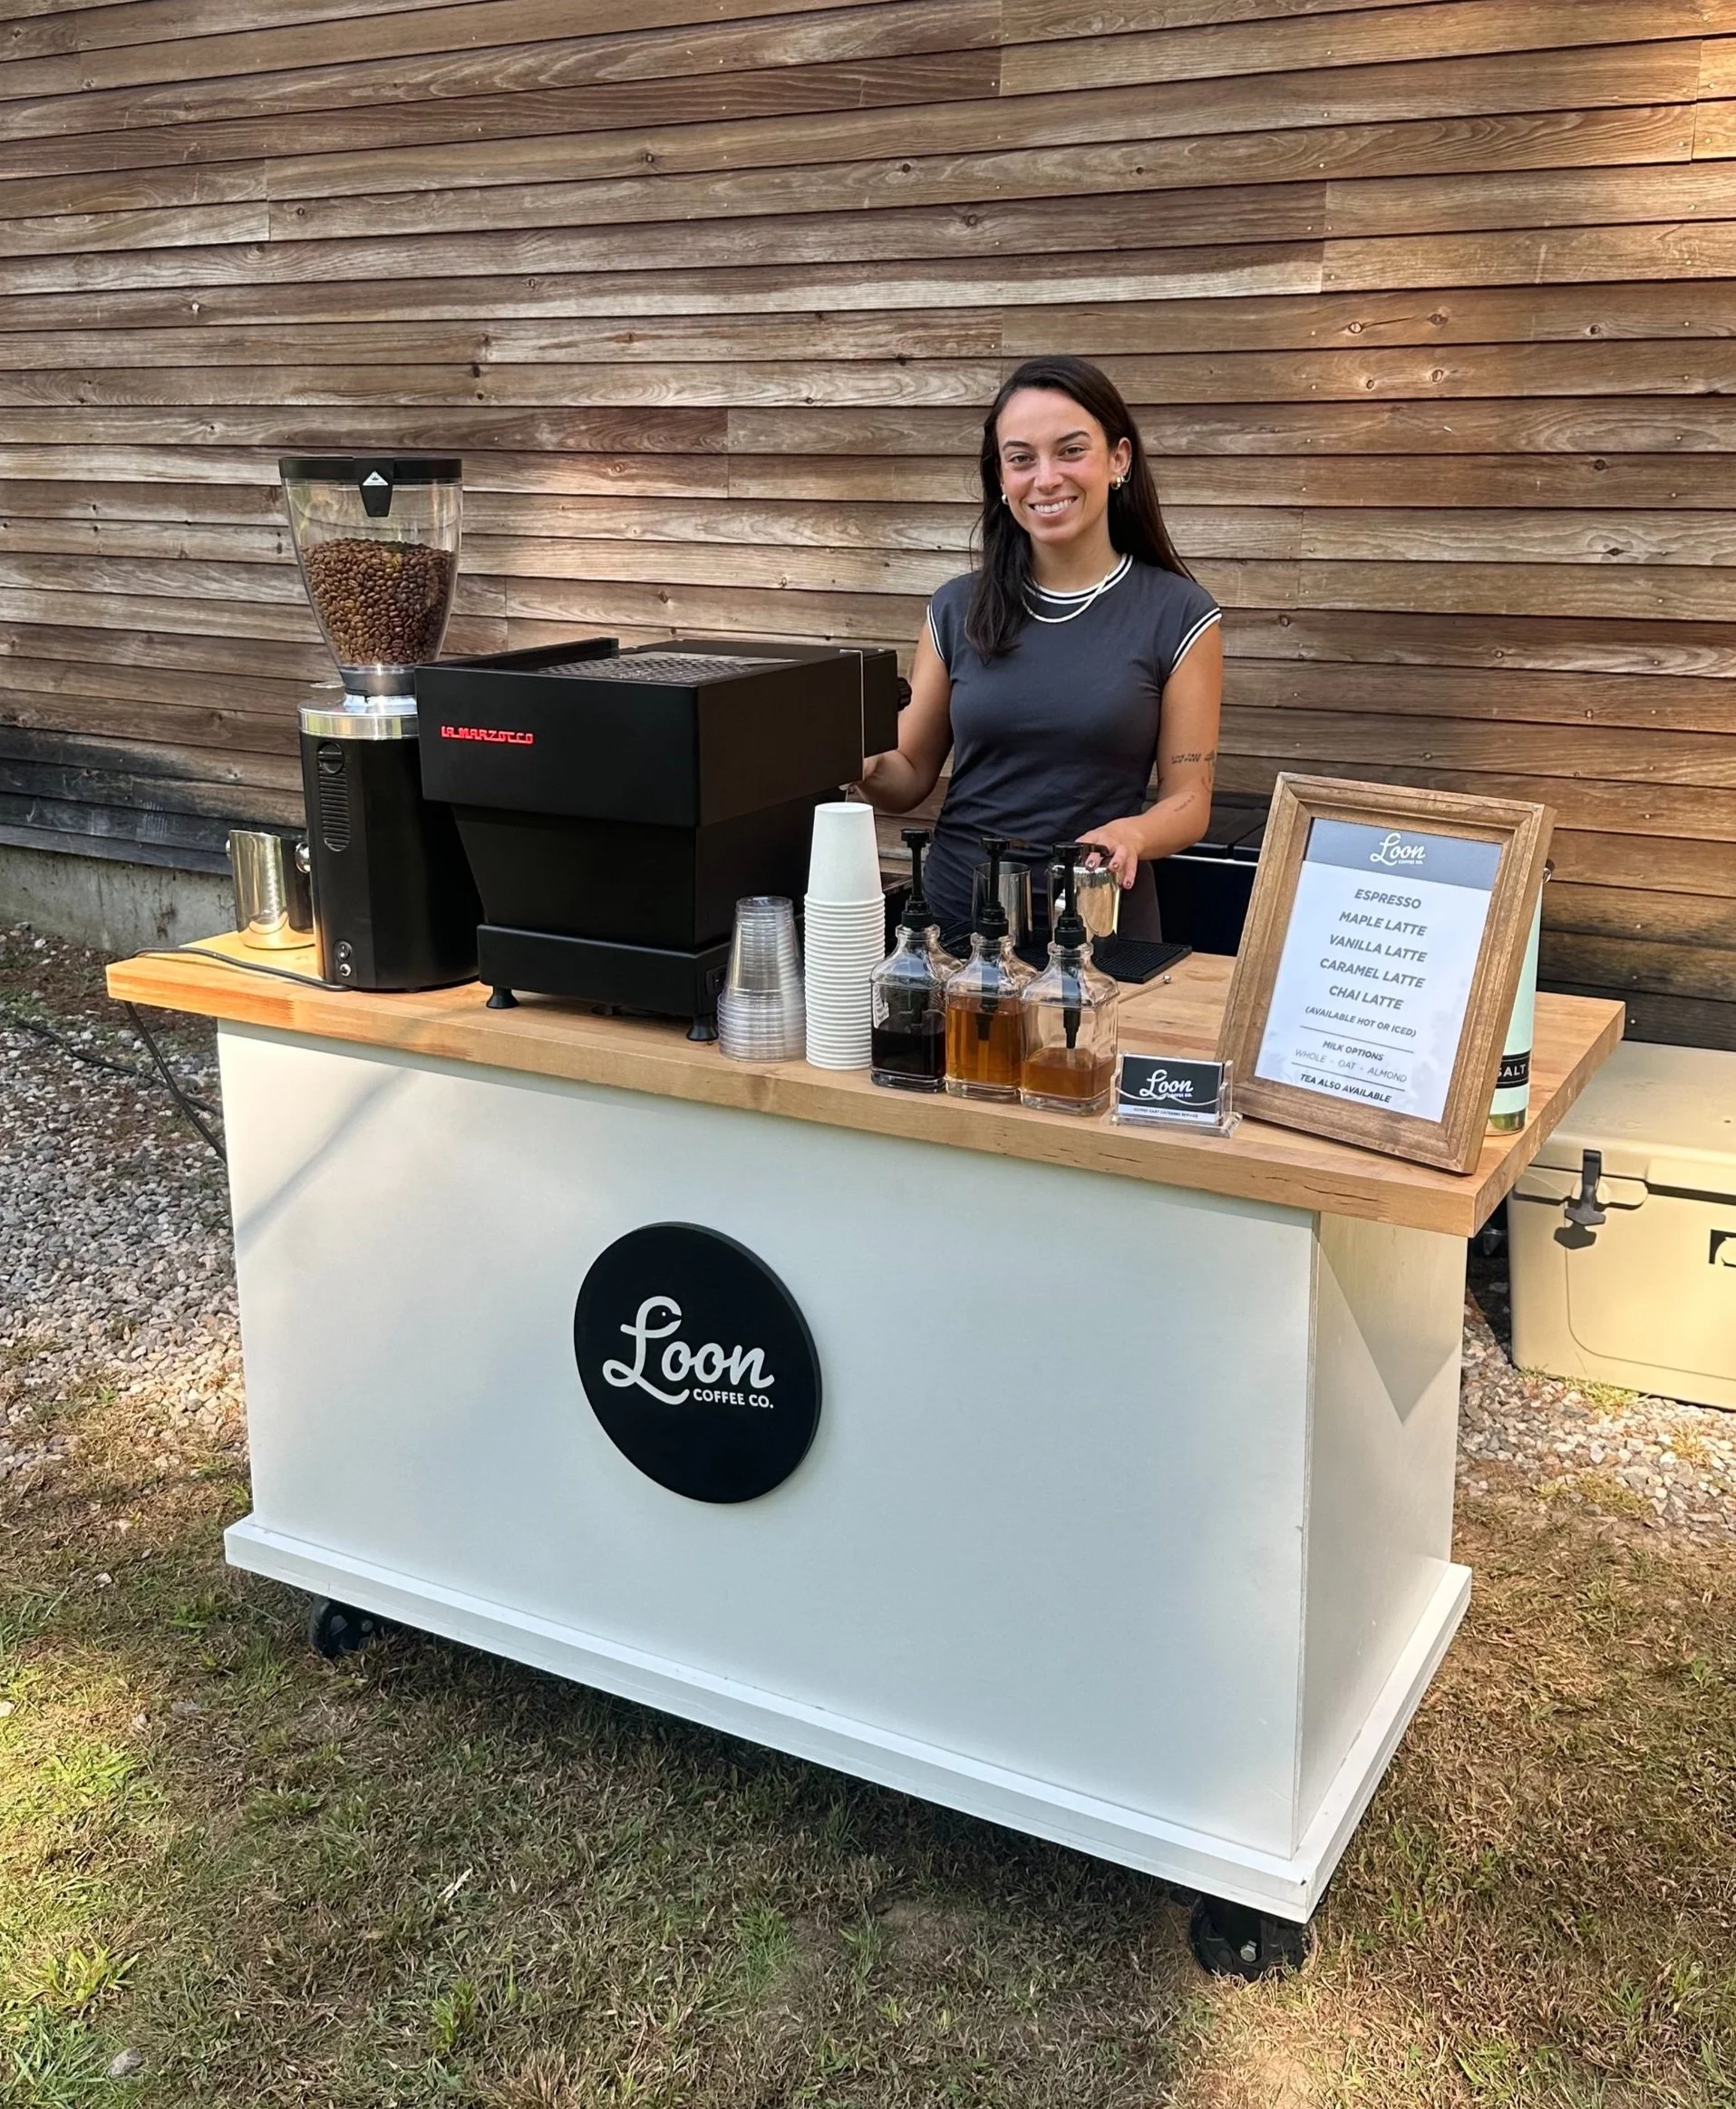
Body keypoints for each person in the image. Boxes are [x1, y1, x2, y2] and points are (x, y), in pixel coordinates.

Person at [857, 355, 1223, 941]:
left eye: (1071, 450)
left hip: (1097, 932)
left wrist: (1130, 835)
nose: (1045, 478)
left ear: (1118, 460)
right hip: (957, 931)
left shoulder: (1179, 614)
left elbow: (1188, 803)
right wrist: (858, 758)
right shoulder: (955, 608)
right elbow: (906, 775)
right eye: (1021, 459)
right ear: (1001, 479)